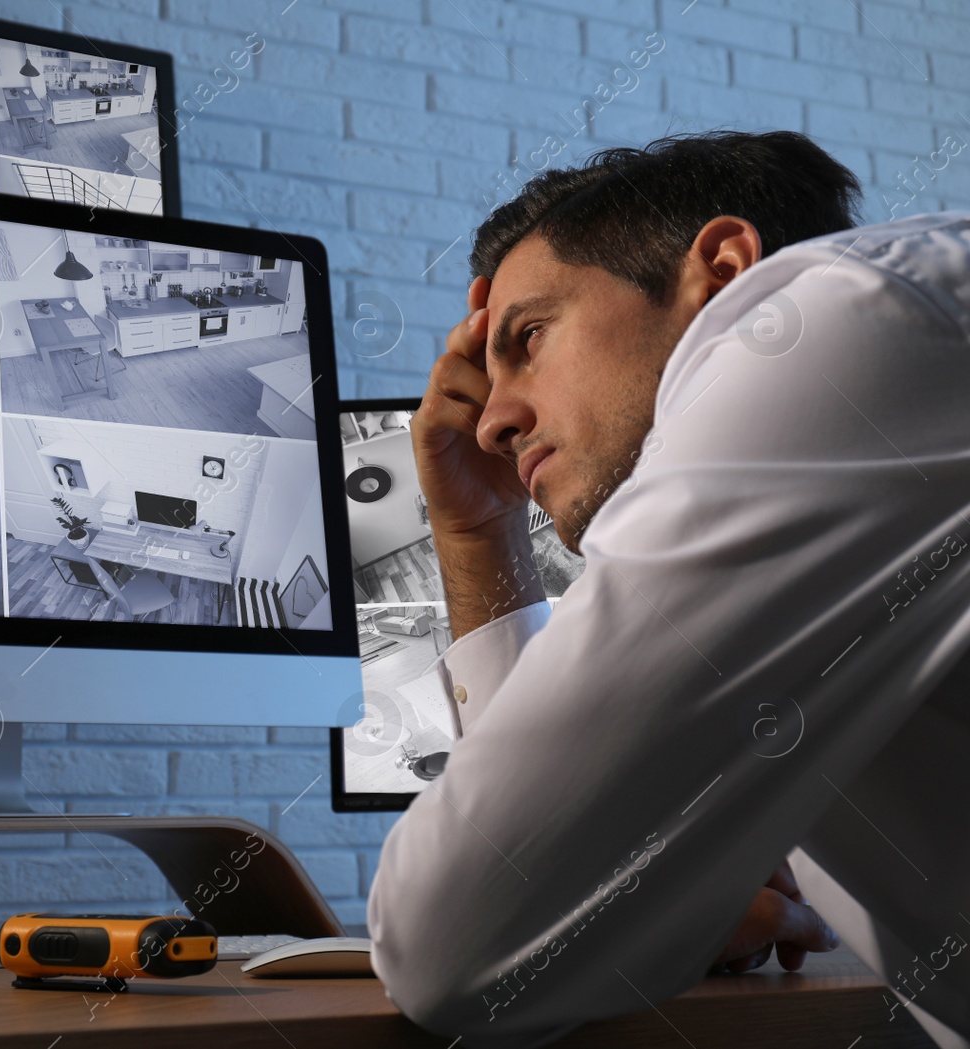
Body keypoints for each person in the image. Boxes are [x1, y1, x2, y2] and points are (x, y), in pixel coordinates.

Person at [366, 130, 970, 1049]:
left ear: (725, 271)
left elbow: (454, 948)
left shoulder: (832, 323)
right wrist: (476, 535)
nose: (490, 422)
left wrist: (604, 910)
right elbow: (536, 879)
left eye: (528, 338)